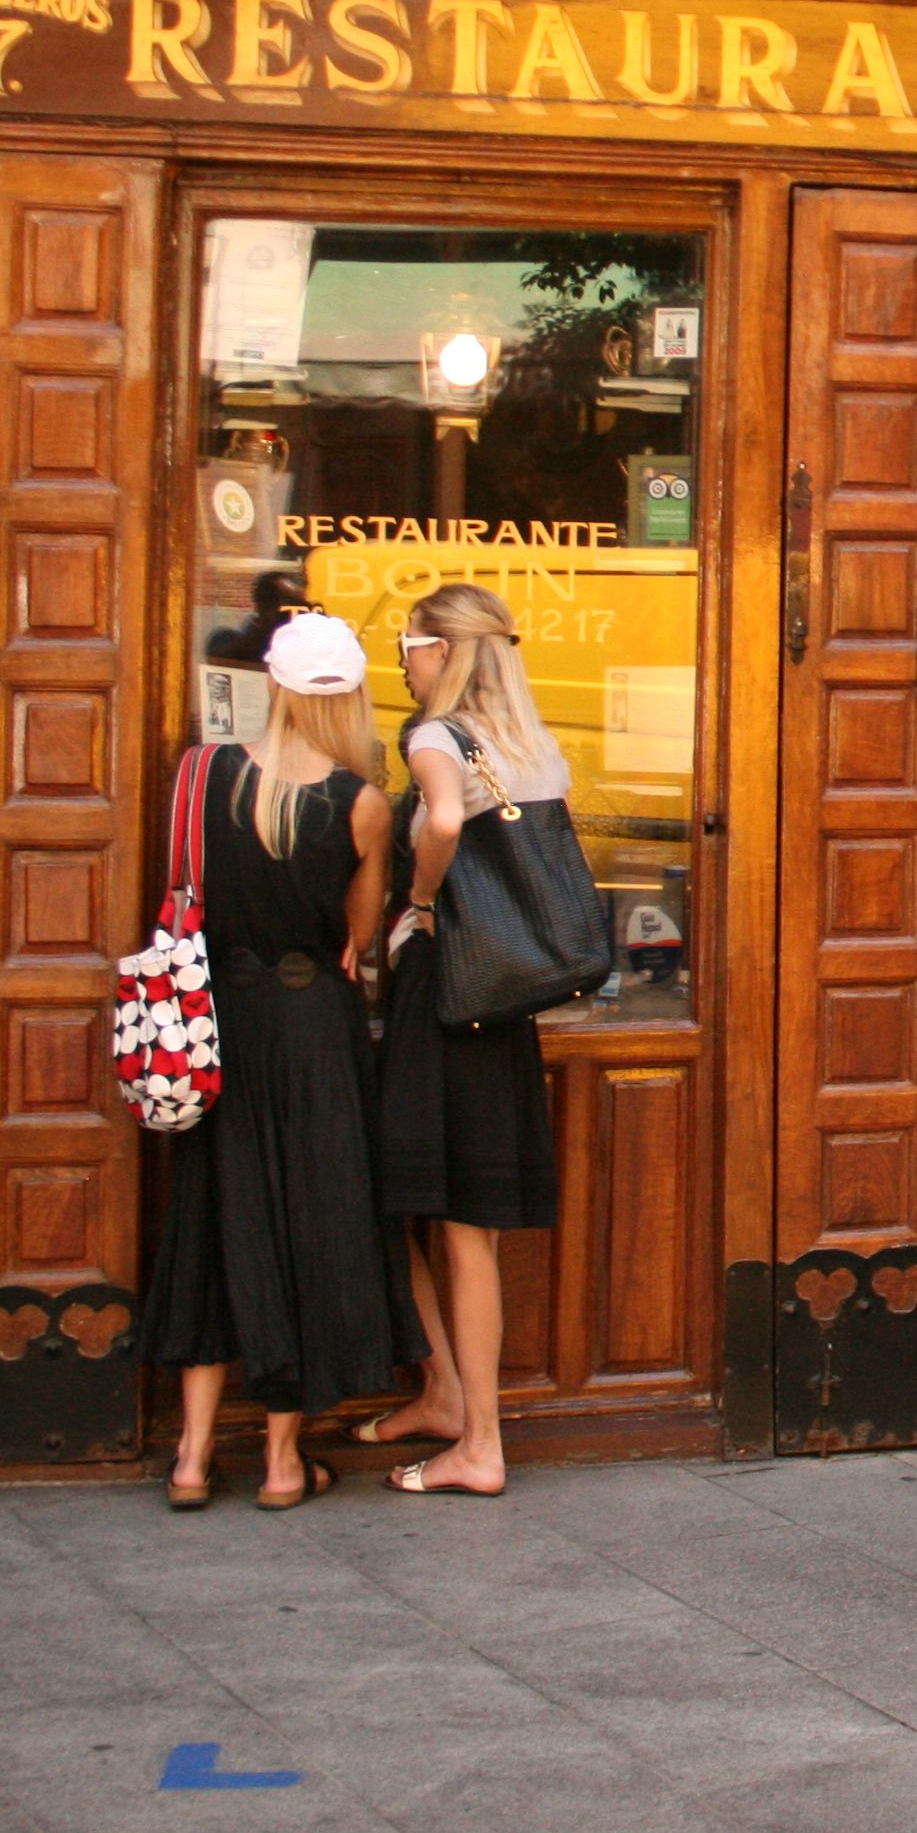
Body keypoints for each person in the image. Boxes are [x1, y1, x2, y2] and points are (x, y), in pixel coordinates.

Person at [140, 611, 423, 1511]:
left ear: (272, 684)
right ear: (353, 697)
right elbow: (357, 936)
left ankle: (191, 1459)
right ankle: (280, 1463)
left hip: (218, 1024)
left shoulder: (203, 774)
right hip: (313, 1034)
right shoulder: (360, 803)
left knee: (214, 1228)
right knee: (305, 1230)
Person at [364, 582, 568, 1496]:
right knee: (444, 1211)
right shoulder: (531, 744)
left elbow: (443, 820)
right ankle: (446, 1394)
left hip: (445, 996)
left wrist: (415, 901)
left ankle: (479, 1441)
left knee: (453, 1223)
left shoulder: (435, 738)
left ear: (443, 651)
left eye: (408, 644)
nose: (402, 661)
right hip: (499, 1004)